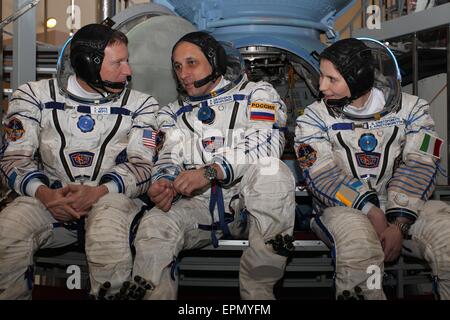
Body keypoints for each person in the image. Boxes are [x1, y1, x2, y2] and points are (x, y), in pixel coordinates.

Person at [87, 31, 295, 299]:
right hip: (199, 205)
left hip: (249, 203)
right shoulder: (172, 112)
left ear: (214, 61)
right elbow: (168, 155)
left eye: (191, 63)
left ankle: (258, 293)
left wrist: (211, 171)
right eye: (177, 66)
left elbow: (265, 142)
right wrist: (163, 181)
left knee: (273, 173)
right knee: (154, 225)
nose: (183, 73)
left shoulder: (257, 93)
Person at [0, 23, 159, 299]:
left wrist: (97, 192)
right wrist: (46, 195)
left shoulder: (141, 105)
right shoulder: (34, 96)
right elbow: (13, 159)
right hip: (50, 199)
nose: (128, 70)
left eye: (127, 60)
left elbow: (142, 167)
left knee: (106, 238)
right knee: (8, 232)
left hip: (112, 200)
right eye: (118, 63)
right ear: (87, 64)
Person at [295, 37, 450, 300]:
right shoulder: (312, 118)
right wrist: (371, 210)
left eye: (331, 79)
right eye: (321, 76)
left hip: (404, 205)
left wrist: (398, 223)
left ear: (357, 79)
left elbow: (421, 164)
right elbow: (321, 175)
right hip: (341, 209)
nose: (321, 86)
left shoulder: (413, 110)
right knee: (360, 249)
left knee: (446, 237)